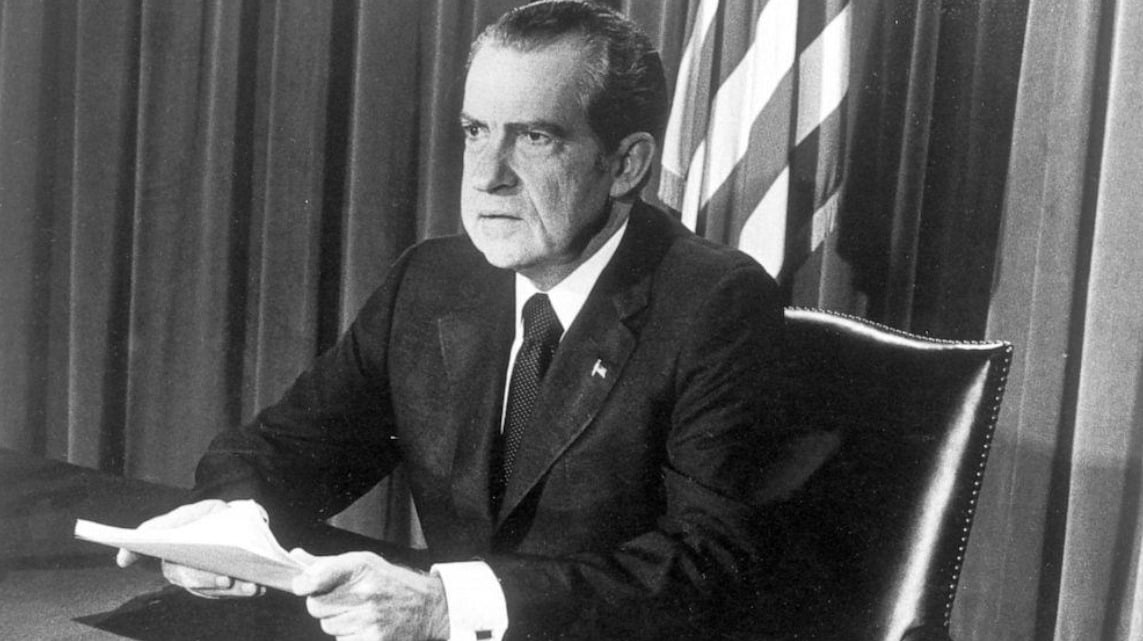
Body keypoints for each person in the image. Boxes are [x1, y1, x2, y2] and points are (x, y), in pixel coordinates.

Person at [117, 2, 807, 639]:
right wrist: (229, 525)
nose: (486, 176)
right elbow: (285, 449)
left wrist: (451, 606)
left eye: (533, 137)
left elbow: (711, 562)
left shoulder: (715, 303)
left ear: (625, 164)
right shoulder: (433, 280)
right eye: (475, 132)